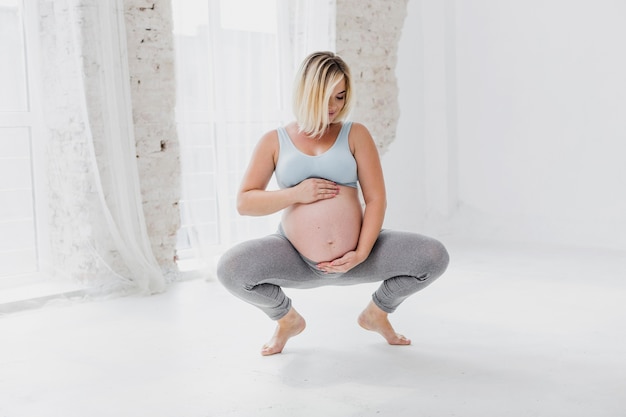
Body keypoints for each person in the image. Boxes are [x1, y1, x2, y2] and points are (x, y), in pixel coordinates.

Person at [217, 51, 449, 356]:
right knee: (230, 269)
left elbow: (376, 198)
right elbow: (245, 203)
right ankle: (287, 320)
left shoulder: (355, 134)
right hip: (295, 258)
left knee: (433, 256)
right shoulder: (274, 141)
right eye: (326, 97)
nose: (333, 106)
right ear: (305, 93)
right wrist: (295, 194)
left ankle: (376, 313)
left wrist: (361, 252)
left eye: (340, 97)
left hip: (359, 257)